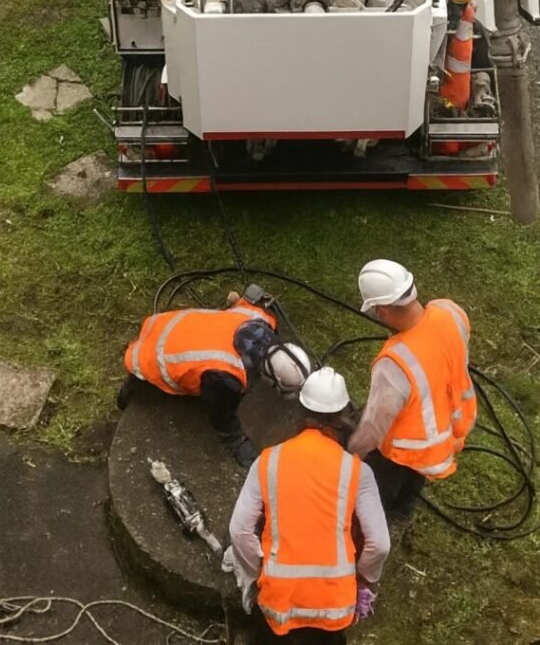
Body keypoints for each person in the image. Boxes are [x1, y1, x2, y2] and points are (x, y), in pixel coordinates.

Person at [226, 367, 390, 644]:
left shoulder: (268, 462)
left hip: (279, 603)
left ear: (300, 411)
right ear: (342, 418)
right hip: (335, 605)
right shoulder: (356, 472)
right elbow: (380, 544)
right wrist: (365, 578)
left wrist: (257, 573)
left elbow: (239, 530)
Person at [118, 284, 312, 466]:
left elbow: (242, 303)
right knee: (213, 394)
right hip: (151, 357)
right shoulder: (226, 376)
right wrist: (237, 442)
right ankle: (134, 385)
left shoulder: (259, 318)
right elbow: (222, 414)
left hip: (166, 324)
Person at [349, 259, 477, 522]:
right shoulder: (450, 311)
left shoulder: (394, 364)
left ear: (381, 311)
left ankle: (374, 521)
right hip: (447, 432)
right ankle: (403, 511)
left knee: (379, 491)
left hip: (403, 451)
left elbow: (374, 429)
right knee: (414, 482)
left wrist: (351, 455)